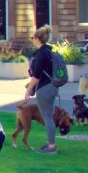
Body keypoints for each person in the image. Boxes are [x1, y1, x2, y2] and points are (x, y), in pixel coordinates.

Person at [24, 24, 59, 154]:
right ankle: (51, 143)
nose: (32, 39)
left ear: (38, 39)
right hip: (53, 86)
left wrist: (28, 91)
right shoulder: (48, 52)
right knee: (48, 116)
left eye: (32, 37)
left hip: (44, 87)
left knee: (47, 117)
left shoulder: (40, 54)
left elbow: (36, 76)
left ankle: (51, 147)